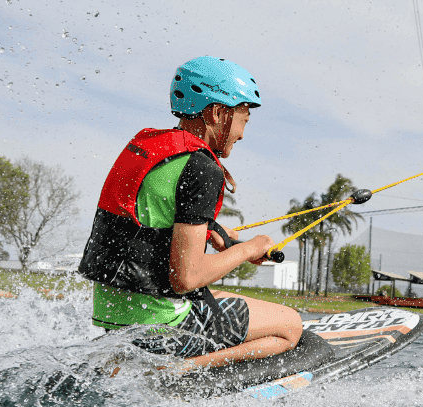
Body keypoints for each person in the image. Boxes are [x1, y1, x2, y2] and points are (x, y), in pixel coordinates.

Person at [78, 56, 302, 368]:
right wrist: (249, 250)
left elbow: (147, 223)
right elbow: (186, 278)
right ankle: (177, 370)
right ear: (217, 112)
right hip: (159, 330)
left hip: (114, 319)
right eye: (243, 121)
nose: (242, 134)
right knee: (290, 325)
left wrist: (213, 232)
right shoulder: (203, 168)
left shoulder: (156, 151)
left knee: (220, 294)